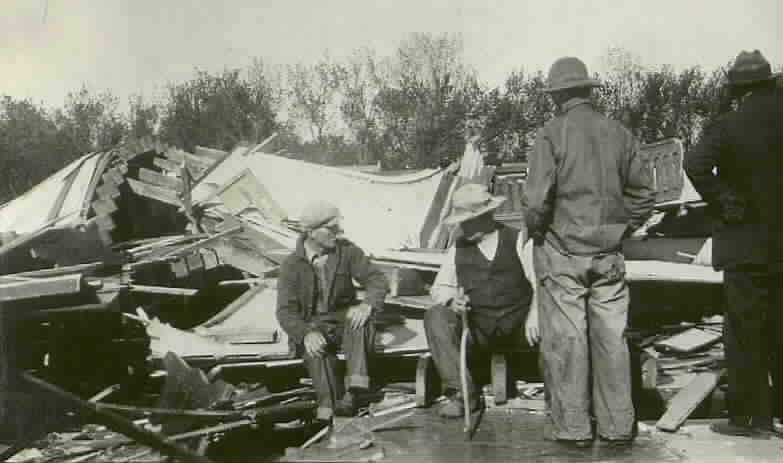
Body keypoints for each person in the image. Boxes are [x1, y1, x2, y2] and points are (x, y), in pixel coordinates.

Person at [524, 57, 656, 448]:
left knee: (569, 340)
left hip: (562, 250)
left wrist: (539, 233)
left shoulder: (551, 134)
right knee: (612, 340)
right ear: (587, 91)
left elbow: (534, 201)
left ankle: (575, 428)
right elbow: (644, 195)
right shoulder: (620, 134)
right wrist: (620, 228)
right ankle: (617, 428)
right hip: (609, 253)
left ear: (558, 96)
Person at [684, 50, 783, 437]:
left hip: (745, 246)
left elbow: (694, 164)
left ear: (737, 89)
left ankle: (751, 418)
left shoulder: (729, 125)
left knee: (745, 332)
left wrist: (726, 202)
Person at [424, 182, 540, 419]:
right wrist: (451, 300)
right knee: (435, 315)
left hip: (520, 327)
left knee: (555, 316)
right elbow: (439, 288)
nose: (463, 227)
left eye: (468, 220)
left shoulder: (518, 240)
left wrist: (534, 316)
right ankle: (462, 393)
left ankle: (561, 391)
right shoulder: (458, 248)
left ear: (486, 215)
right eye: (461, 222)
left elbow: (540, 284)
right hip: (479, 329)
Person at [276, 200, 388, 421]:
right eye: (331, 228)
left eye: (338, 227)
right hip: (313, 325)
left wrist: (367, 304)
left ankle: (356, 388)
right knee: (316, 352)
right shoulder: (291, 265)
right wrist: (305, 333)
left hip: (343, 321)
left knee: (359, 320)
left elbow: (377, 279)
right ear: (310, 232)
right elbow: (285, 311)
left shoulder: (347, 252)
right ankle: (331, 409)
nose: (338, 233)